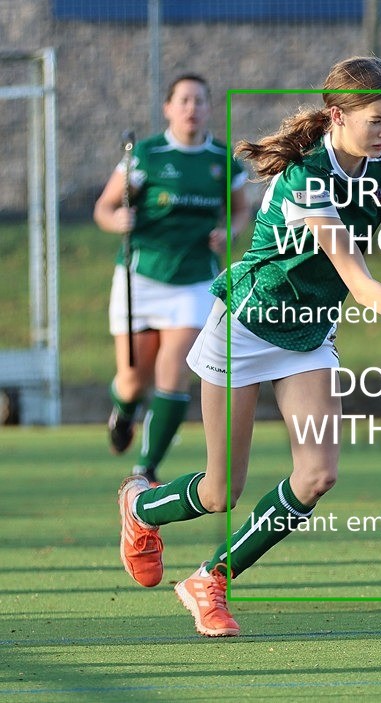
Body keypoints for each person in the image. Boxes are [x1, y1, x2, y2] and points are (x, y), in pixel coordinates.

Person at [115, 56, 381, 637]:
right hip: (244, 328)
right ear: (336, 115)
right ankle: (140, 506)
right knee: (222, 492)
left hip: (308, 334)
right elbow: (359, 281)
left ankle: (210, 580)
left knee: (317, 474)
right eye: (376, 120)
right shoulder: (306, 176)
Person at [94, 74, 252, 486]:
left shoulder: (223, 161)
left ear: (208, 107)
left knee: (174, 368)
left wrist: (229, 232)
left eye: (199, 100)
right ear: (168, 108)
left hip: (195, 279)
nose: (191, 108)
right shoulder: (145, 155)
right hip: (141, 275)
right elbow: (104, 208)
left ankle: (144, 469)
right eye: (183, 100)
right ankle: (125, 409)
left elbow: (239, 212)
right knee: (132, 380)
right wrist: (118, 219)